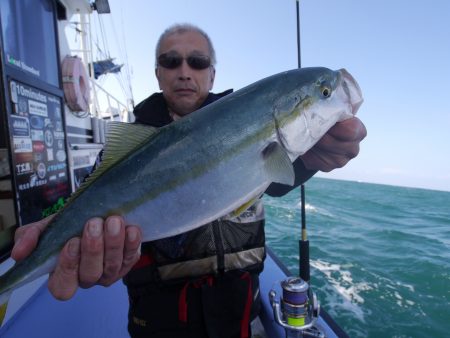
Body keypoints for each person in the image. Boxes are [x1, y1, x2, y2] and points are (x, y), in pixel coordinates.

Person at [12, 24, 367, 337]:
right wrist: (55, 223)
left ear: (212, 75)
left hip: (239, 319)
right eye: (171, 61)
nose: (184, 72)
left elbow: (277, 176)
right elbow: (92, 190)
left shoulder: (254, 127)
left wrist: (314, 158)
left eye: (197, 62)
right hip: (158, 326)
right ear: (158, 73)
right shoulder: (129, 146)